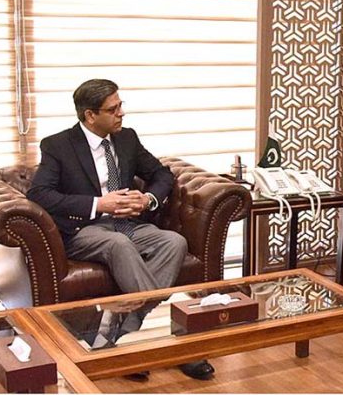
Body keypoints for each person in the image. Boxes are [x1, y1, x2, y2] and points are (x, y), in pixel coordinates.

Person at [27, 78, 214, 380]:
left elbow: (161, 173)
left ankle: (116, 338)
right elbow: (39, 194)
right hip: (84, 228)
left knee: (174, 242)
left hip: (128, 223)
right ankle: (171, 346)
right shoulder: (58, 146)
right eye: (113, 109)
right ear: (90, 115)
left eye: (120, 106)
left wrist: (148, 199)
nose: (121, 114)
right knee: (118, 245)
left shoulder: (126, 139)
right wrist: (99, 204)